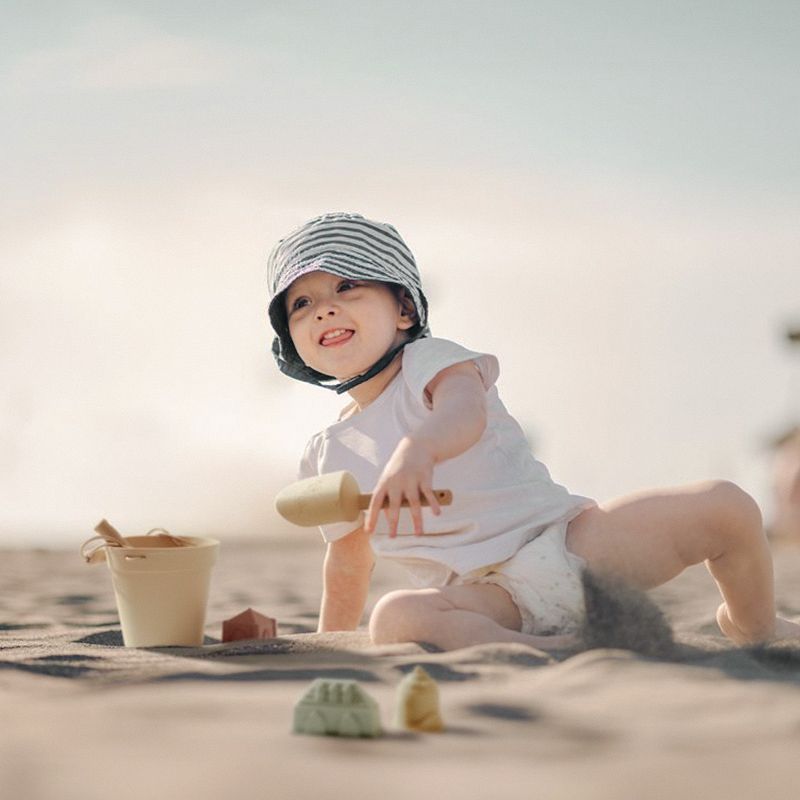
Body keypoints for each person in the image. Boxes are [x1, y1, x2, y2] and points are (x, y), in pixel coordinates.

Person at [267, 212, 800, 652]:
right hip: (488, 596)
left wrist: (418, 451)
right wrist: (328, 641)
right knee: (397, 618)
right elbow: (348, 562)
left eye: (347, 286)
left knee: (726, 505)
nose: (325, 308)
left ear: (404, 308)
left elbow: (463, 412)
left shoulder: (432, 363)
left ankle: (753, 628)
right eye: (302, 303)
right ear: (293, 339)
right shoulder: (328, 451)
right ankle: (557, 649)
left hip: (572, 545)